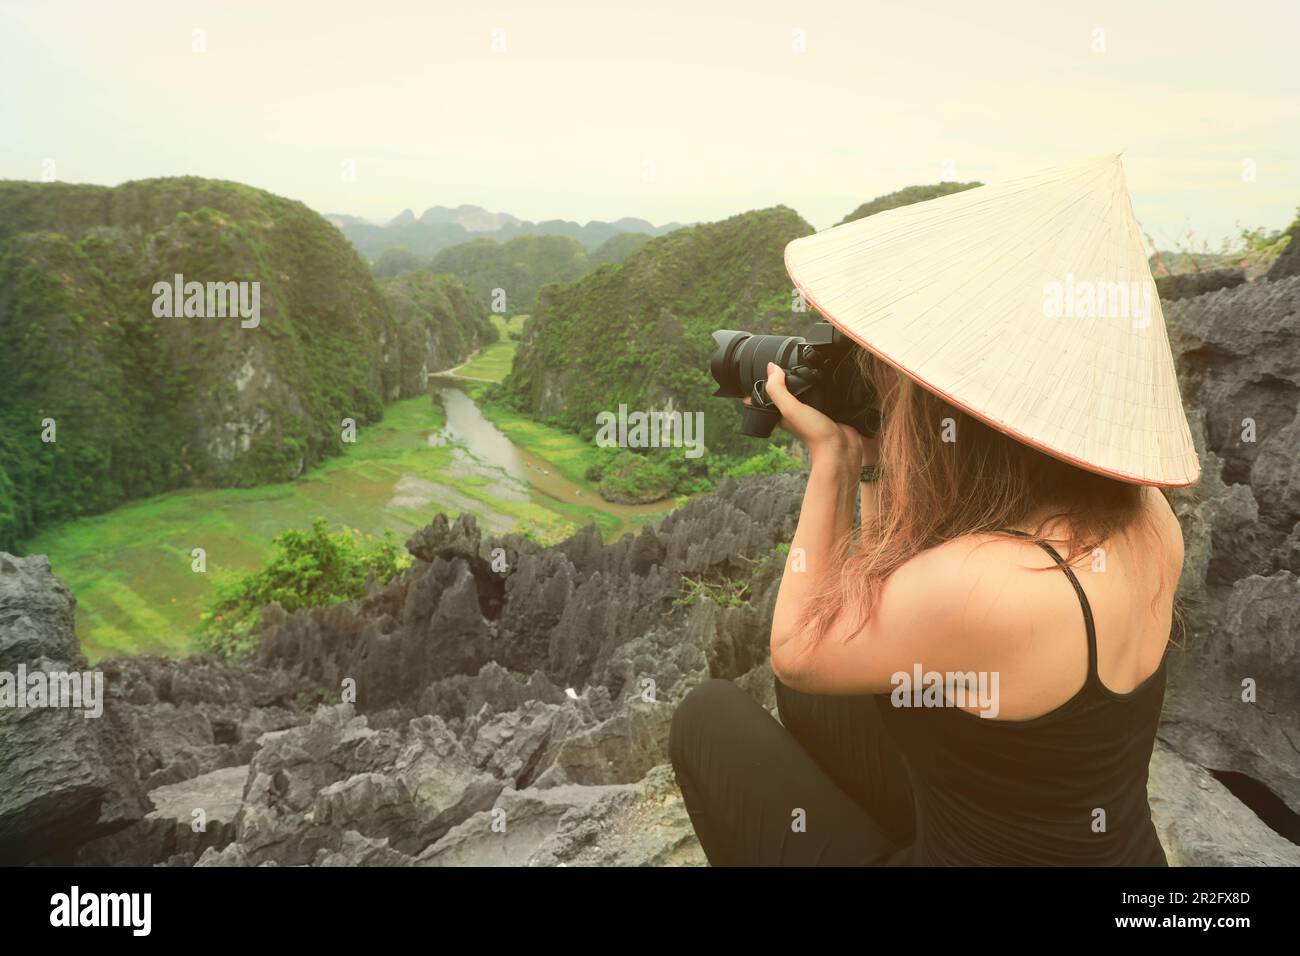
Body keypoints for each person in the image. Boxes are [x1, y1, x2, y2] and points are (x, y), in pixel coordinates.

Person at [669, 156, 1198, 866]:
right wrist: (882, 462)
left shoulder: (987, 584)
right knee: (825, 704)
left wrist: (832, 464)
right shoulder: (1146, 515)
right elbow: (884, 597)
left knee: (709, 718)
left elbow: (797, 652)